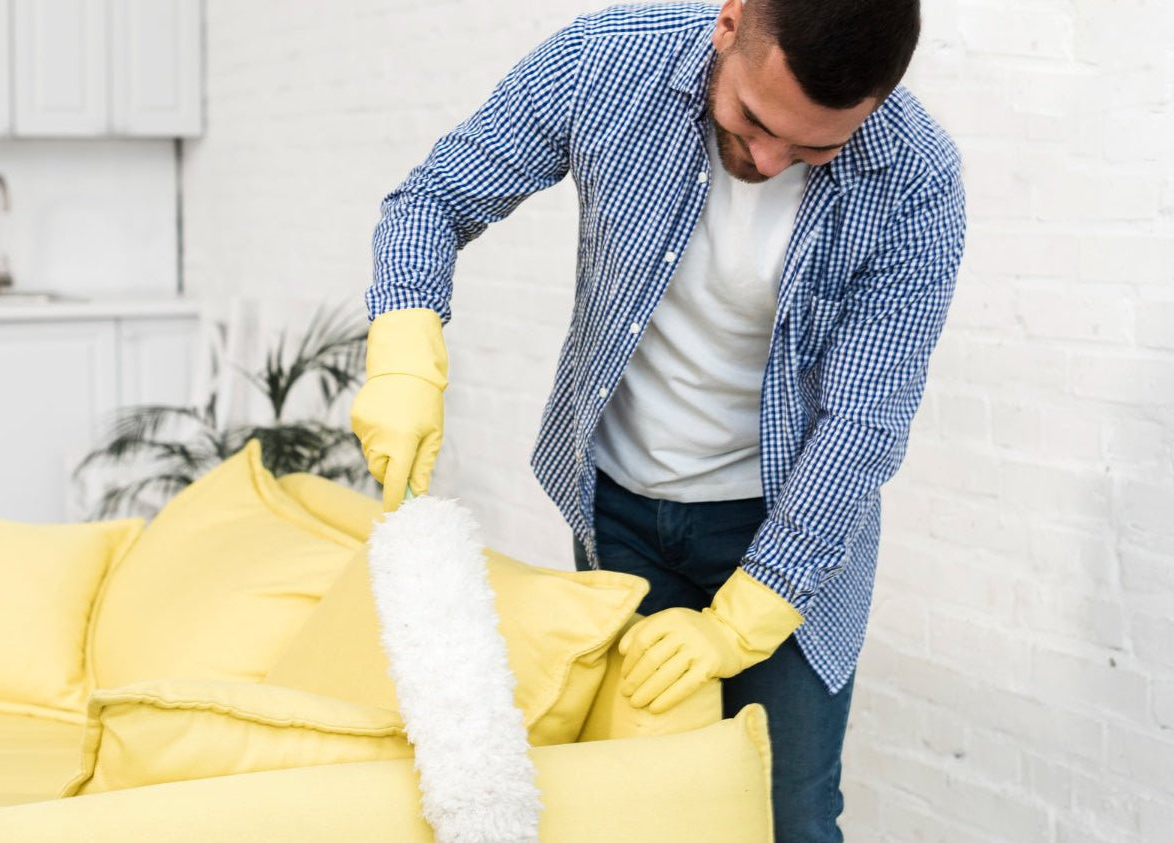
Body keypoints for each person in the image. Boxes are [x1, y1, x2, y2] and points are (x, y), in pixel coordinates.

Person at [351, 1, 966, 839]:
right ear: (731, 21)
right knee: (640, 807)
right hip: (621, 514)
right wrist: (404, 350)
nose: (769, 158)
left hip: (786, 531)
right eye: (753, 118)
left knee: (789, 814)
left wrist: (740, 621)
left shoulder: (915, 178)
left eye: (816, 147)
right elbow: (434, 199)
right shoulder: (605, 63)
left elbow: (862, 421)